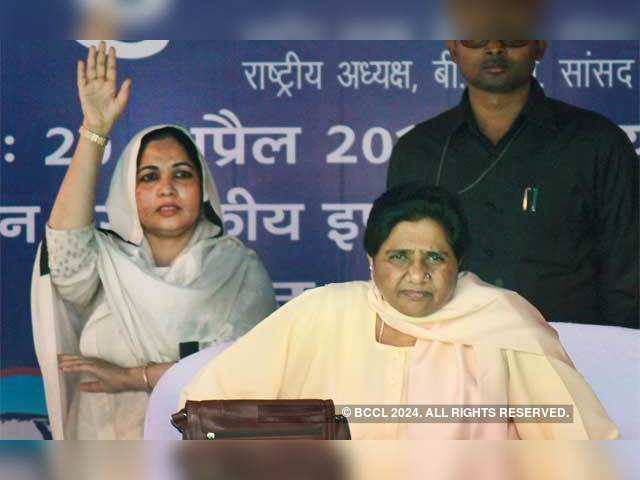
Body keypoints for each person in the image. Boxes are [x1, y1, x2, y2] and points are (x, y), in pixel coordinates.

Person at [181, 182, 618, 440]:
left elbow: (580, 445)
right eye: (398, 257)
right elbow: (206, 407)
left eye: (435, 258)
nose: (416, 274)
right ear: (370, 261)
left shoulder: (501, 323)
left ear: (459, 264)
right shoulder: (323, 312)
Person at [30, 42, 277, 439]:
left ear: (203, 188)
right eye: (149, 177)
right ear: (128, 191)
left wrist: (135, 377)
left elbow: (245, 370)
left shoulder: (239, 270)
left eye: (181, 174)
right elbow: (64, 246)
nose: (167, 188)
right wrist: (94, 130)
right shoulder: (102, 264)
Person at [387, 40, 638, 329]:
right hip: (449, 353)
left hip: (570, 355)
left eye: (512, 34)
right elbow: (399, 268)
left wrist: (617, 357)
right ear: (453, 47)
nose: (495, 47)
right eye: (477, 35)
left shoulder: (597, 143)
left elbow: (627, 274)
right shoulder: (418, 150)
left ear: (540, 44)